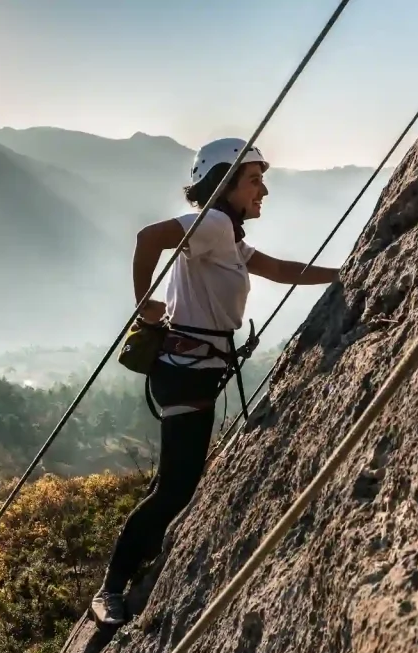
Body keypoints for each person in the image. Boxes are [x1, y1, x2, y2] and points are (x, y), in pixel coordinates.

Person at [90, 137, 341, 627]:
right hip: (186, 376)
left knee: (177, 483)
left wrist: (344, 273)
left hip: (191, 373)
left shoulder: (228, 235)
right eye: (253, 180)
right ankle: (110, 588)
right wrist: (143, 306)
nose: (263, 189)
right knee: (175, 488)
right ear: (223, 185)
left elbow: (279, 269)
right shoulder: (213, 223)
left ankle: (135, 568)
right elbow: (147, 237)